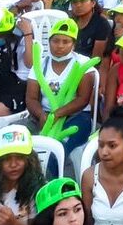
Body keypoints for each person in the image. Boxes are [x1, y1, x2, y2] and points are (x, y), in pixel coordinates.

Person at [26, 18, 97, 158]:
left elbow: (83, 99)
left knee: (56, 150)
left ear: (73, 45)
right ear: (49, 42)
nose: (60, 46)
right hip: (42, 115)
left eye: (66, 42)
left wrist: (56, 115)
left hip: (75, 117)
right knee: (19, 141)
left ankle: (51, 177)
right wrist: (41, 115)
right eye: (55, 41)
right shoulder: (40, 65)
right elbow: (31, 98)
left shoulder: (82, 63)